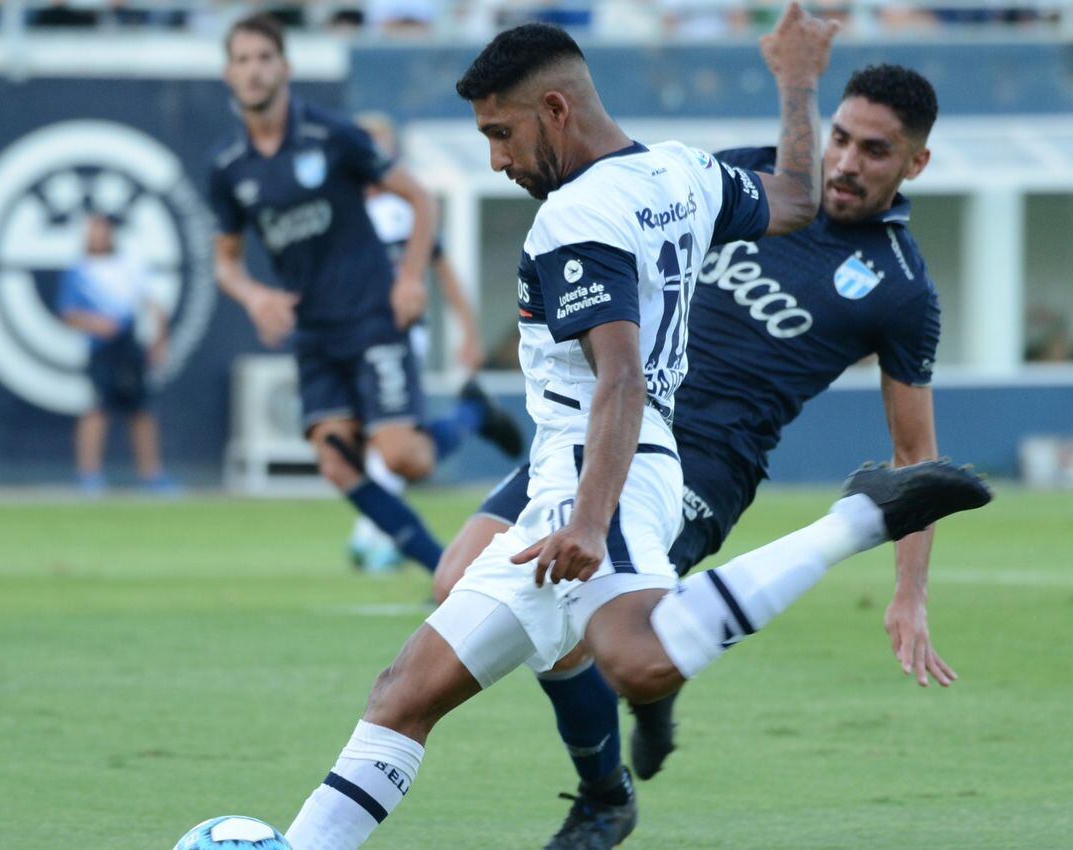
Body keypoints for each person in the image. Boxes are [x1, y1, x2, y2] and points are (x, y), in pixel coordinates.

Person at [280, 12, 989, 850]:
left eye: (501, 135)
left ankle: (856, 519)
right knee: (405, 687)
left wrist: (588, 517)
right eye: (842, 139)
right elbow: (794, 197)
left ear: (553, 109)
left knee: (639, 657)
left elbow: (620, 376)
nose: (497, 160)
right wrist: (797, 86)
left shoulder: (577, 218)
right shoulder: (687, 172)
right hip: (566, 464)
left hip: (635, 466)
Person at [430, 62, 953, 848]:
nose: (846, 162)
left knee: (580, 623)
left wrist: (910, 592)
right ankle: (624, 755)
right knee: (458, 577)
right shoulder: (749, 176)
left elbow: (916, 454)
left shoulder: (901, 290)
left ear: (915, 164)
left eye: (875, 151)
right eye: (840, 138)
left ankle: (610, 779)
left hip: (704, 468)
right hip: (600, 429)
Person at [207, 13, 522, 575]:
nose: (253, 71)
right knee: (336, 462)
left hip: (373, 316)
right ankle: (444, 571)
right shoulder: (230, 169)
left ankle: (472, 415)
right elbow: (225, 262)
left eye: (263, 58)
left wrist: (407, 281)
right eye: (242, 60)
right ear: (228, 74)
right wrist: (254, 297)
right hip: (314, 333)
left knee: (403, 457)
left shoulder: (332, 137)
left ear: (285, 68)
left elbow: (421, 198)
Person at [347, 112, 489, 572]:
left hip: (397, 333)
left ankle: (379, 536)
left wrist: (468, 330)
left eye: (378, 143)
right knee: (375, 437)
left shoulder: (402, 209)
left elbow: (443, 271)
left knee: (392, 436)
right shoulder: (346, 206)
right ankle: (472, 415)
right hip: (354, 334)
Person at [56, 213, 176, 495]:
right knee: (97, 410)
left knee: (142, 411)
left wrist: (160, 343)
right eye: (91, 230)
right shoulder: (79, 271)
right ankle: (89, 476)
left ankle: (152, 475)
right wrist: (96, 324)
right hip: (101, 350)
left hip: (130, 347)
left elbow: (156, 307)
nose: (96, 236)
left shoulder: (130, 265)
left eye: (101, 230)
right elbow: (69, 313)